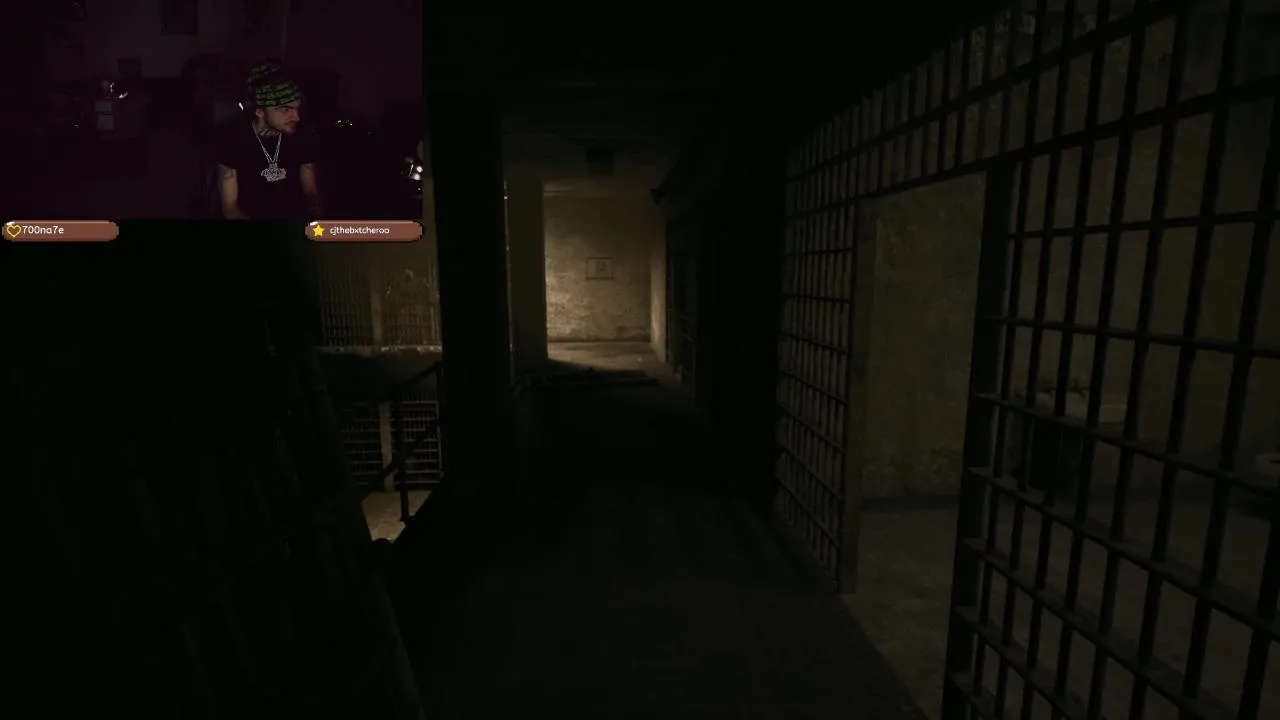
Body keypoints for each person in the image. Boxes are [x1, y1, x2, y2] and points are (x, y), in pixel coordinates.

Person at [211, 62, 322, 219]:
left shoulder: (302, 134)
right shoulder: (231, 138)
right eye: (285, 109)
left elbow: (310, 191)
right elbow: (230, 208)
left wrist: (316, 216)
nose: (296, 117)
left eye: (297, 108)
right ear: (259, 111)